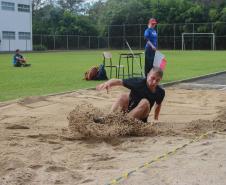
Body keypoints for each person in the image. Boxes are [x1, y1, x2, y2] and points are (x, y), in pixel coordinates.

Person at [96, 67, 165, 123]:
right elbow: (119, 81)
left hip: (141, 118)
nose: (154, 82)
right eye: (152, 78)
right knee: (123, 96)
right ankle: (109, 118)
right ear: (147, 75)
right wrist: (107, 83)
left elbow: (158, 104)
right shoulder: (138, 82)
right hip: (129, 110)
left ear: (160, 80)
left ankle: (124, 122)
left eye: (157, 80)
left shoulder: (160, 91)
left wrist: (155, 118)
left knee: (145, 102)